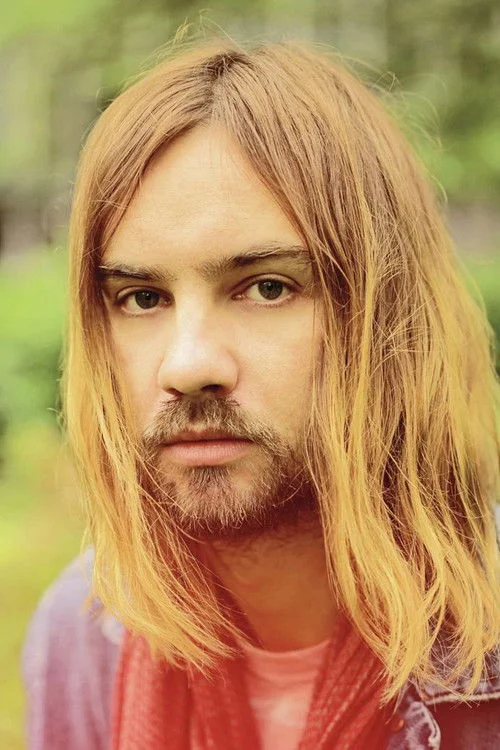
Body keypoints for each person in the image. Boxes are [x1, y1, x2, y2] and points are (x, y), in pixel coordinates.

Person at [22, 34, 500, 750]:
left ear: (386, 317)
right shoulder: (84, 637)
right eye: (142, 297)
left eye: (267, 287)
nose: (188, 365)